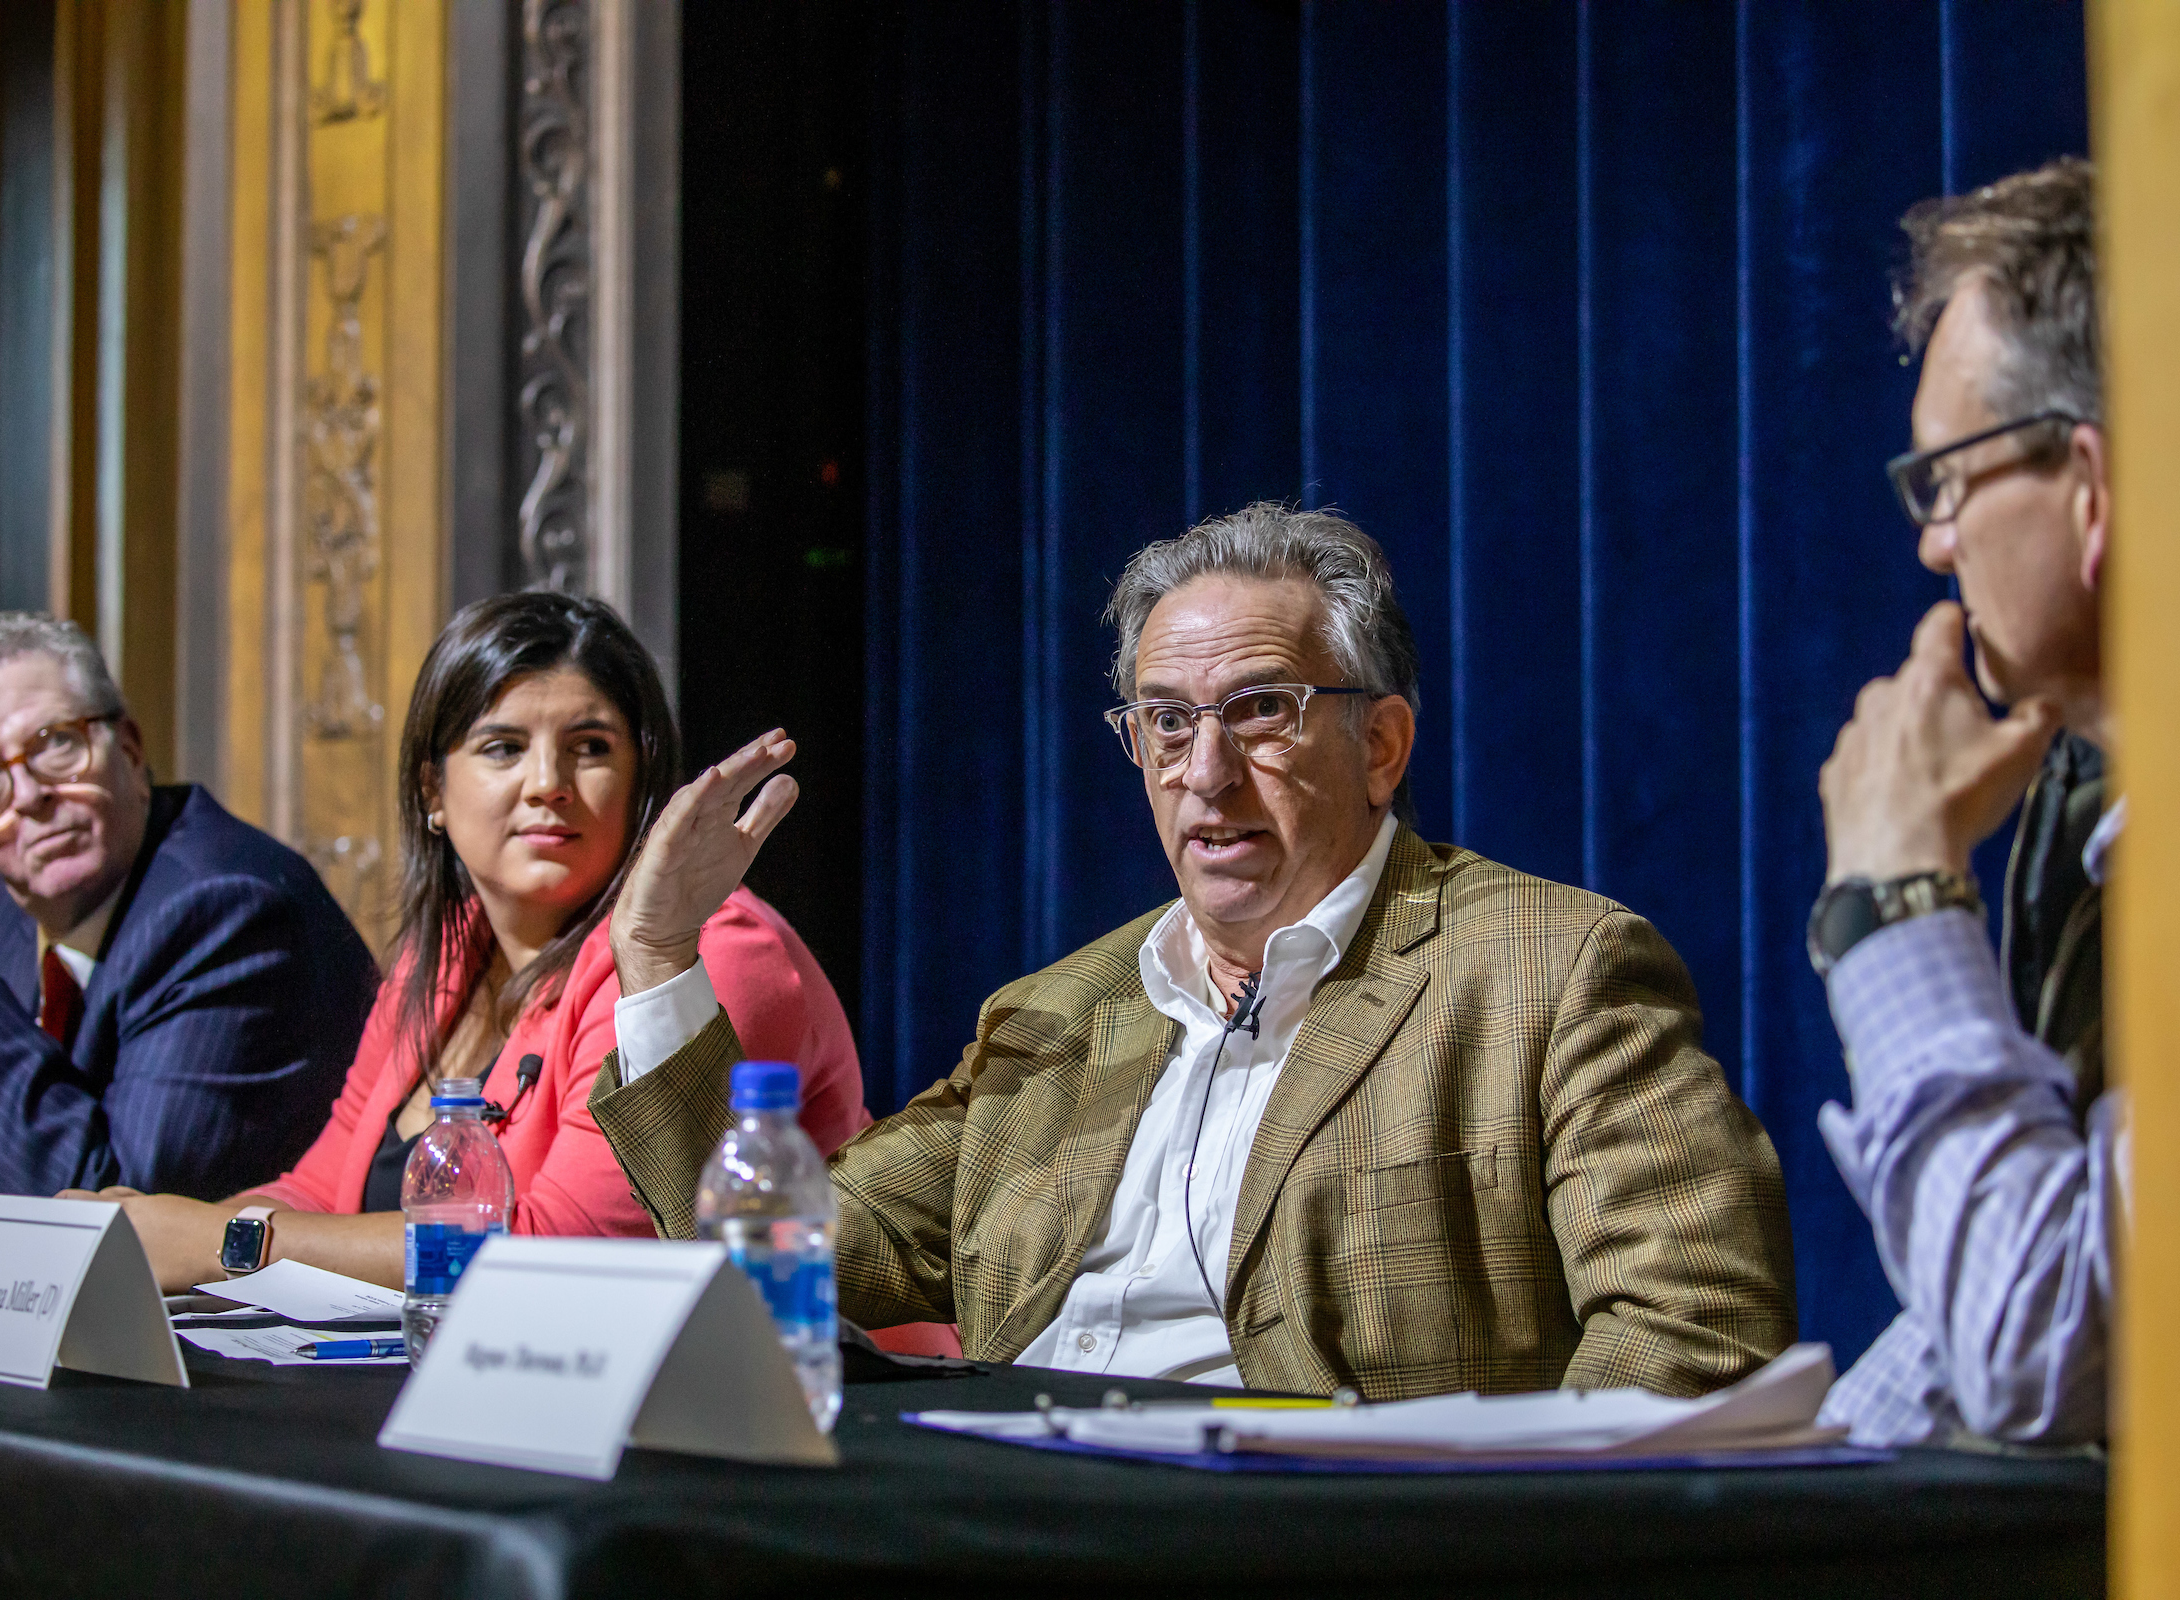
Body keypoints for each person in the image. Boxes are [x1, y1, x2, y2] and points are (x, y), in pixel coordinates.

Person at [589, 503, 1796, 1399]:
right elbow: (775, 1261)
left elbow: (1692, 1334)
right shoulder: (1058, 1012)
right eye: (1167, 723)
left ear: (1381, 745)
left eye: (1261, 710)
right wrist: (653, 951)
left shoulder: (1554, 970)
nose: (1204, 773)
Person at [90, 591, 869, 1291]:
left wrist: (221, 1241)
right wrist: (143, 1238)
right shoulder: (446, 953)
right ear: (433, 791)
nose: (547, 783)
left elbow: (562, 1257)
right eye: (502, 747)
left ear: (641, 782)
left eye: (591, 747)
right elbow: (321, 1194)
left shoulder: (704, 952)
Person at [1808, 158, 2117, 1448]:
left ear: (2090, 485)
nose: (1933, 540)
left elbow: (2042, 1350)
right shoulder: (2081, 818)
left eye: (1950, 477)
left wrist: (1895, 904)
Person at [0, 614, 376, 1260]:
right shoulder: (15, 920)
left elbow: (100, 1231)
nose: (31, 793)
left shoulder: (228, 908)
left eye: (55, 743)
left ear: (128, 747)